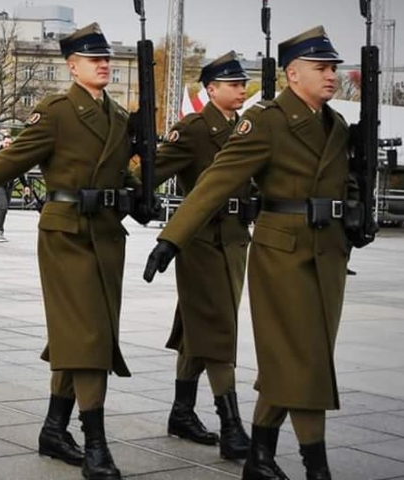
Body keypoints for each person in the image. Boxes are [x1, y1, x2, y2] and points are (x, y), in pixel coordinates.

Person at [0, 22, 151, 480]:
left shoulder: (120, 118)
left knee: (83, 333)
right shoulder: (57, 112)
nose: (104, 65)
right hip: (66, 237)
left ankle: (53, 429)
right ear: (73, 66)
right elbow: (10, 161)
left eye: (107, 59)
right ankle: (97, 446)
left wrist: (140, 195)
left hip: (107, 236)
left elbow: (121, 173)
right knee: (89, 338)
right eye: (93, 59)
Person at [143, 26, 374, 480]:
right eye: (321, 68)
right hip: (283, 253)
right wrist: (172, 238)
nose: (332, 76)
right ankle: (316, 466)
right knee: (305, 358)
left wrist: (354, 213)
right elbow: (217, 179)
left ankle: (259, 456)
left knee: (299, 358)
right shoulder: (267, 120)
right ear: (292, 74)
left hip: (328, 254)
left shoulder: (337, 124)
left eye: (333, 67)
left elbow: (345, 180)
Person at [142, 51, 253, 460]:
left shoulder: (244, 127)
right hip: (202, 242)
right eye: (234, 84)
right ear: (211, 89)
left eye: (243, 84)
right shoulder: (193, 129)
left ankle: (182, 411)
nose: (242, 89)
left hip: (237, 240)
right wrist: (135, 196)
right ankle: (232, 425)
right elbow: (152, 170)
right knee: (218, 328)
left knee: (197, 326)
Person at [0, 132, 31, 242]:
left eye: (10, 143)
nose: (8, 145)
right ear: (2, 143)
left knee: (5, 209)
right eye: (6, 143)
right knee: (3, 206)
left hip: (9, 185)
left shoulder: (14, 155)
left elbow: (19, 171)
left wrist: (25, 185)